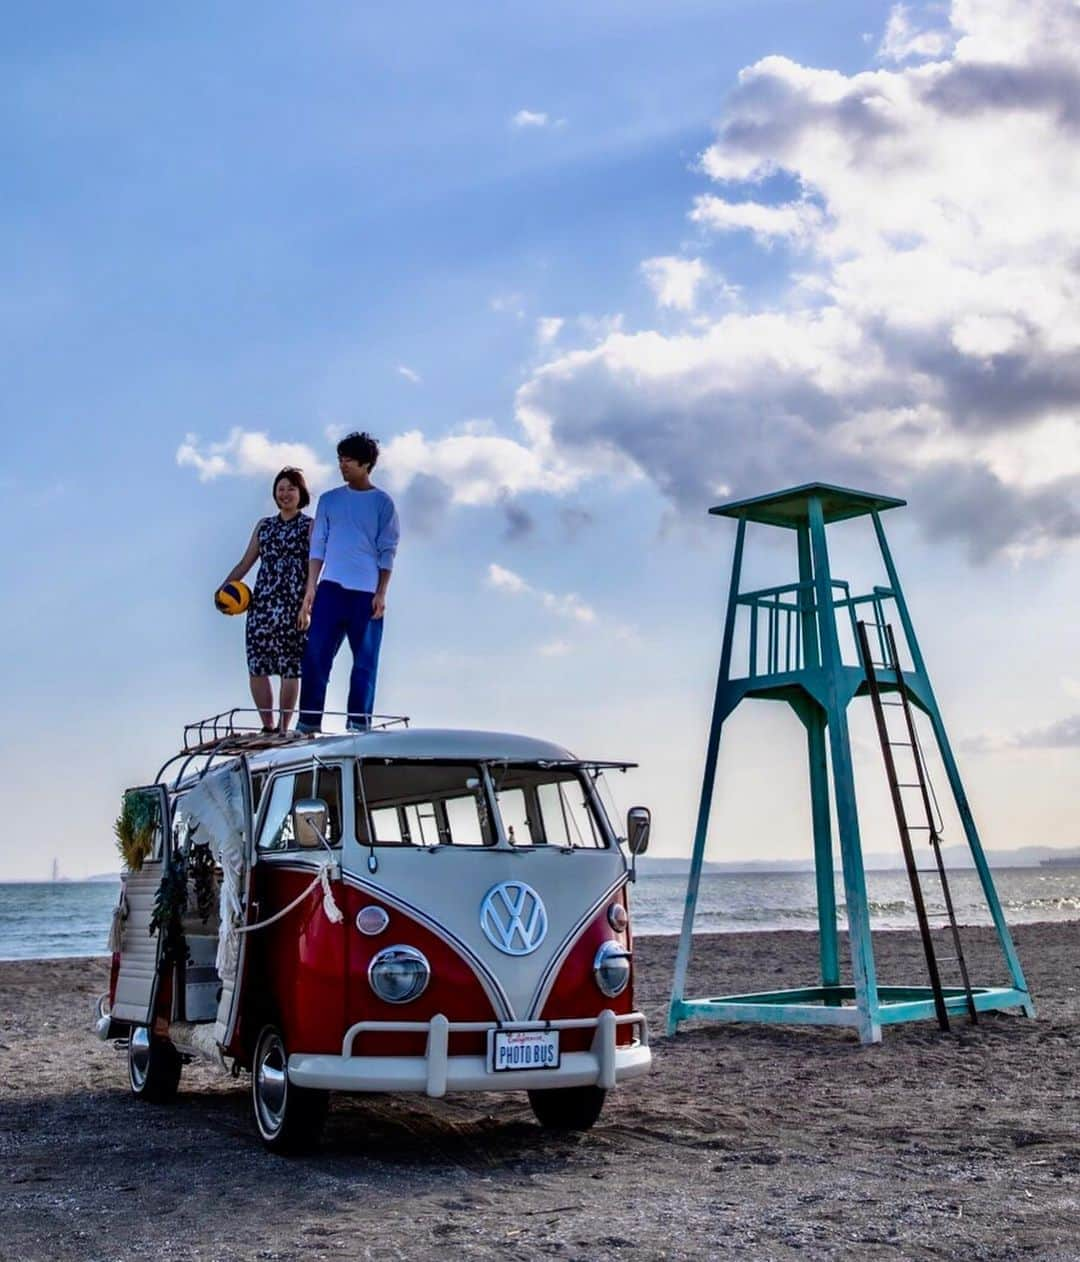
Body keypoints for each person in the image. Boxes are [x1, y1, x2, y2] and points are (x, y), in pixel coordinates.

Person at [296, 431, 399, 733]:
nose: (342, 466)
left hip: (366, 593)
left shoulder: (383, 503)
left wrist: (382, 592)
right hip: (331, 588)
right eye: (340, 460)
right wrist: (310, 588)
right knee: (315, 655)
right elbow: (318, 546)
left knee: (365, 663)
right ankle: (308, 721)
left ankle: (358, 724)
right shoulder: (329, 500)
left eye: (349, 461)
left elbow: (387, 549)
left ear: (366, 464)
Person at [220, 467, 314, 734]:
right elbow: (245, 562)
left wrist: (307, 605)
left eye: (291, 489)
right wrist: (224, 588)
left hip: (293, 604)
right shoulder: (264, 526)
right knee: (257, 665)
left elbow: (314, 567)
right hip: (262, 604)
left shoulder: (309, 526)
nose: (285, 494)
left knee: (290, 667)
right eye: (281, 488)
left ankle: (285, 727)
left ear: (301, 493)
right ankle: (268, 725)